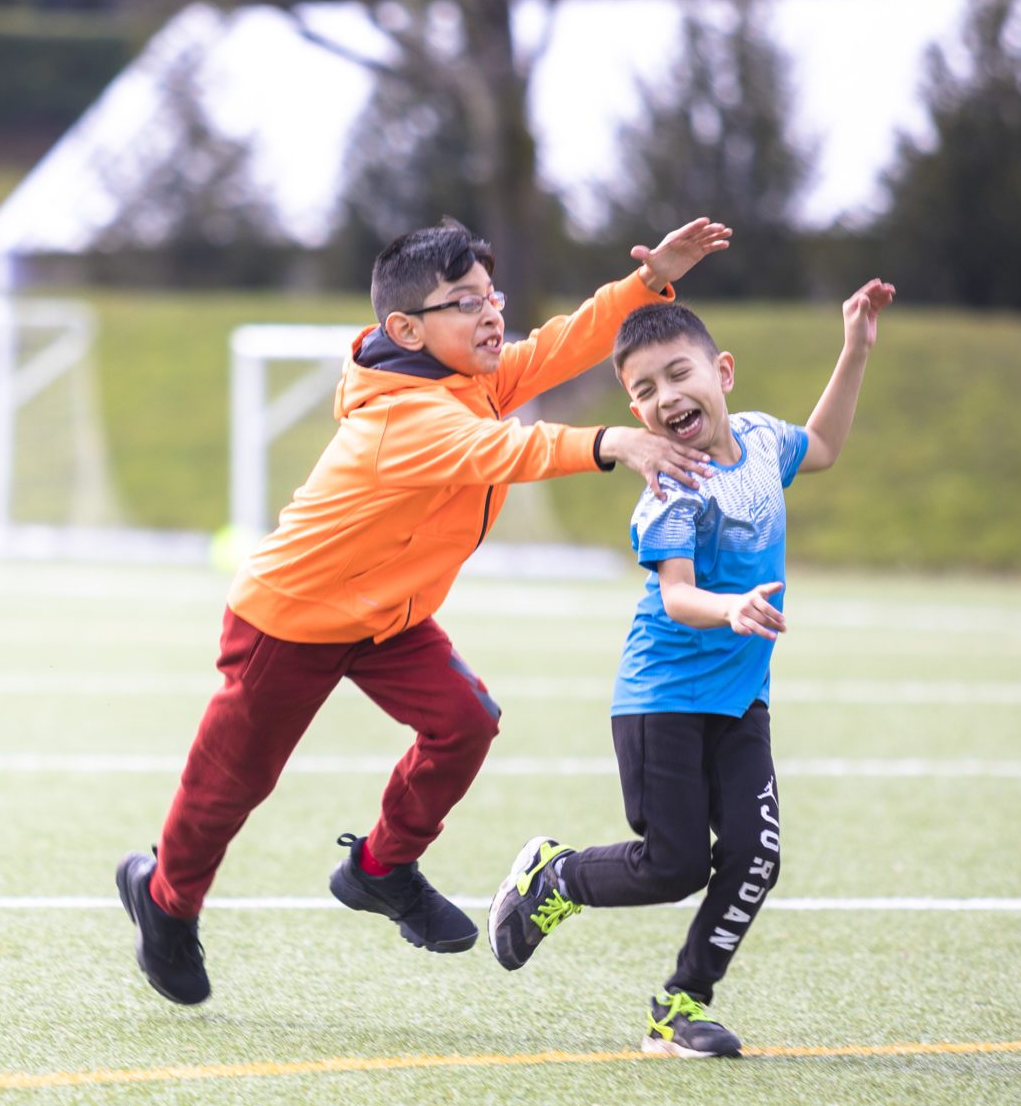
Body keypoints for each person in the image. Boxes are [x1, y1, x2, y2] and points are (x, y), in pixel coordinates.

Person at [116, 214, 734, 1006]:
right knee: (231, 784)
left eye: (490, 294)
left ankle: (381, 867)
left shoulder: (468, 379)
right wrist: (614, 441)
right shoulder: (396, 418)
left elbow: (560, 343)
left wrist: (649, 284)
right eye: (465, 302)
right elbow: (507, 450)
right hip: (291, 619)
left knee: (465, 722)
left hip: (387, 617)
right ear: (406, 327)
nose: (490, 314)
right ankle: (165, 901)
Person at [486, 279, 897, 1056]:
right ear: (635, 411)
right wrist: (732, 606)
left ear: (724, 374)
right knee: (672, 864)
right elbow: (676, 595)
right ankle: (554, 877)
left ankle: (678, 1007)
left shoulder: (767, 442)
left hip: (741, 697)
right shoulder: (667, 488)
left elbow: (829, 446)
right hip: (662, 696)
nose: (665, 396)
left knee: (755, 854)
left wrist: (855, 348)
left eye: (679, 374)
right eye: (644, 390)